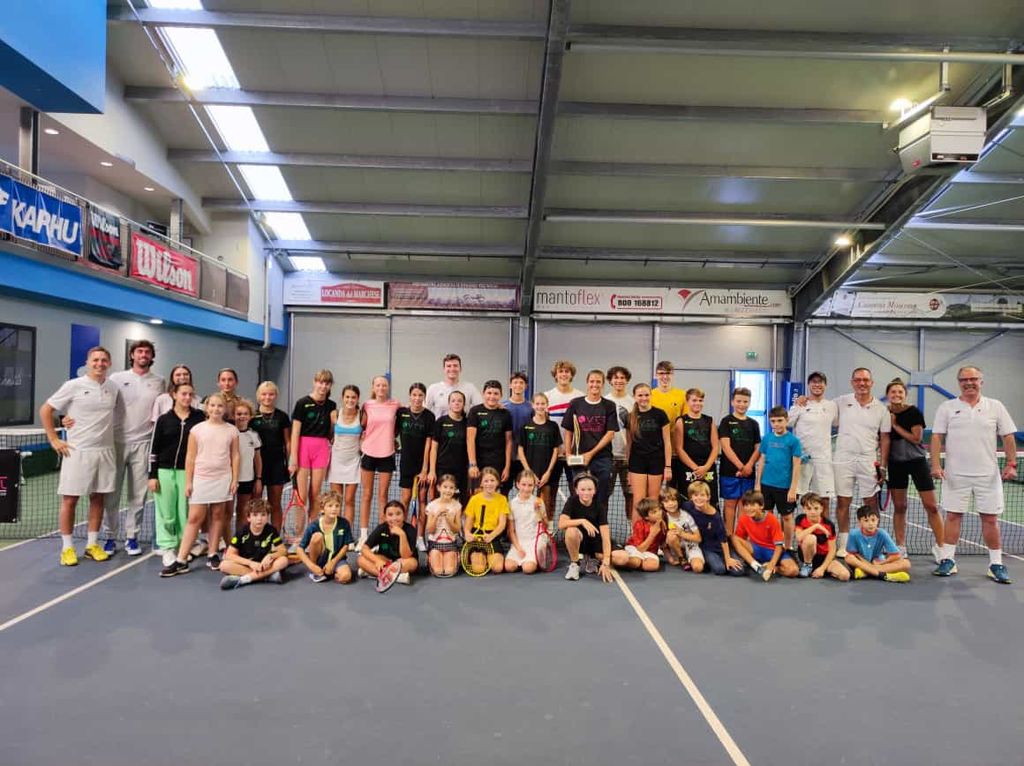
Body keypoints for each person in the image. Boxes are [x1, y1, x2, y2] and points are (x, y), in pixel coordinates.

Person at [931, 365, 1018, 583]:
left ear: (981, 381)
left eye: (973, 379)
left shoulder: (995, 406)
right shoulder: (947, 407)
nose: (969, 383)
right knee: (952, 516)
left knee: (990, 519)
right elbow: (936, 437)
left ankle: (996, 564)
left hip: (988, 476)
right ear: (959, 382)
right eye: (964, 380)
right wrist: (935, 465)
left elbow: (1008, 436)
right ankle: (948, 560)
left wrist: (1011, 464)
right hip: (955, 476)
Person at [40, 346, 119, 566]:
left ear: (109, 363)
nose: (99, 364)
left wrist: (66, 418)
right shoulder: (73, 385)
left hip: (105, 451)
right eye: (95, 360)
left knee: (98, 498)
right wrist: (53, 439)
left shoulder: (113, 387)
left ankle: (92, 545)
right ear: (87, 363)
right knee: (70, 500)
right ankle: (67, 548)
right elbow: (46, 409)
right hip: (77, 452)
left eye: (104, 360)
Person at [162, 393, 239, 576]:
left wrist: (234, 479)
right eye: (212, 405)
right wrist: (189, 481)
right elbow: (190, 457)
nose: (216, 409)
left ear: (225, 409)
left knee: (218, 515)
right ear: (207, 408)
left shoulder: (231, 430)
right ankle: (181, 560)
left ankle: (212, 554)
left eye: (220, 406)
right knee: (194, 518)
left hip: (222, 478)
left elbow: (235, 456)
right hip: (201, 479)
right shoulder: (197, 430)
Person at [102, 339, 164, 556]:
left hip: (144, 443)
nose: (143, 355)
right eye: (139, 351)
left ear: (151, 356)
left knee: (138, 495)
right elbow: (102, 405)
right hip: (117, 442)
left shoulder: (159, 381)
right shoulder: (116, 378)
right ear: (132, 355)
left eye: (147, 352)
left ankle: (132, 537)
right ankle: (110, 537)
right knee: (111, 494)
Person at [832, 368, 891, 557]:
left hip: (868, 460)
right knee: (843, 502)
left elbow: (885, 439)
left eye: (865, 380)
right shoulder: (840, 402)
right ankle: (844, 545)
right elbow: (820, 407)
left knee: (871, 503)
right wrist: (803, 400)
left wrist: (883, 465)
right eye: (858, 380)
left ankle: (872, 544)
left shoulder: (881, 409)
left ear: (871, 383)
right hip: (843, 459)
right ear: (852, 382)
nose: (862, 383)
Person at [885, 378, 943, 561]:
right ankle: (900, 547)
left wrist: (895, 425)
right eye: (893, 392)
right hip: (895, 464)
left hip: (917, 462)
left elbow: (916, 438)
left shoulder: (914, 412)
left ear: (905, 394)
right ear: (887, 395)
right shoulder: (883, 413)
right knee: (900, 506)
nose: (896, 395)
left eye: (900, 392)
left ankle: (942, 547)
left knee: (931, 506)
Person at [149, 381, 205, 567]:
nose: (187, 398)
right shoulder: (163, 420)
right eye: (183, 394)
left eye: (190, 394)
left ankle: (183, 546)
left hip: (187, 472)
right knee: (166, 512)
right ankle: (167, 548)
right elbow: (154, 449)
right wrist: (152, 475)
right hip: (164, 471)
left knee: (184, 511)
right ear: (174, 395)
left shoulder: (199, 418)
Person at [561, 369, 619, 509]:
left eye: (598, 382)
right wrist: (568, 453)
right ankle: (581, 522)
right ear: (587, 383)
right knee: (580, 496)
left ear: (603, 384)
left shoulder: (609, 405)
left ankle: (600, 522)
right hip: (579, 457)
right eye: (592, 381)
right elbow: (568, 431)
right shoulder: (575, 404)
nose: (595, 384)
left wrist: (590, 454)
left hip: (603, 458)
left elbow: (610, 433)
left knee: (601, 497)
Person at [357, 376, 400, 551]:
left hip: (387, 453)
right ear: (373, 387)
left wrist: (392, 438)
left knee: (383, 496)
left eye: (384, 385)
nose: (381, 388)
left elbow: (399, 425)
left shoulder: (396, 405)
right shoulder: (367, 405)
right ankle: (363, 536)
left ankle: (382, 536)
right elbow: (361, 426)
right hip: (368, 452)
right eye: (378, 385)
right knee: (366, 495)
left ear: (387, 387)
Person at [289, 370, 336, 521]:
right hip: (303, 448)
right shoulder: (302, 403)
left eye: (327, 383)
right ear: (315, 382)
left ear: (330, 385)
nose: (323, 386)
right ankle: (299, 531)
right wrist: (293, 458)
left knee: (316, 495)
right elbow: (295, 432)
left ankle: (312, 529)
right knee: (301, 496)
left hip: (321, 449)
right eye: (320, 382)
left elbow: (332, 433)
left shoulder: (332, 405)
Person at [789, 371, 837, 516]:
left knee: (824, 501)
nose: (817, 385)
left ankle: (824, 530)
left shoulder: (832, 406)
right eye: (814, 382)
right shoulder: (800, 404)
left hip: (823, 460)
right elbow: (787, 423)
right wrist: (798, 403)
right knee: (792, 498)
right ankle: (792, 531)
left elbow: (838, 422)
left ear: (825, 385)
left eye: (820, 382)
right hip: (801, 460)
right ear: (809, 385)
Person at [754, 406, 802, 550]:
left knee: (786, 517)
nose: (776, 424)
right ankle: (767, 544)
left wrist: (793, 489)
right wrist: (758, 484)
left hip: (784, 487)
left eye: (780, 420)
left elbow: (797, 466)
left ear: (787, 420)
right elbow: (762, 461)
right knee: (766, 515)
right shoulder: (767, 438)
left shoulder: (793, 441)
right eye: (773, 421)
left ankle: (787, 546)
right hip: (766, 484)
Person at [396, 383, 435, 551]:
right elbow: (393, 432)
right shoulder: (401, 413)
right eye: (414, 395)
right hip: (406, 463)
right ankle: (402, 534)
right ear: (409, 396)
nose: (417, 398)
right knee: (404, 500)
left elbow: (428, 444)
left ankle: (420, 538)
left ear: (424, 397)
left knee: (422, 500)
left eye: (420, 395)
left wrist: (425, 469)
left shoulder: (429, 416)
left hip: (422, 466)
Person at [218, 498, 289, 590]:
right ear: (249, 518)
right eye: (255, 515)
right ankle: (267, 576)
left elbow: (283, 550)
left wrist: (270, 556)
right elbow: (230, 555)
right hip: (248, 566)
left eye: (263, 515)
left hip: (265, 566)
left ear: (268, 516)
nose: (259, 519)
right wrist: (251, 563)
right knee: (224, 565)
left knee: (283, 560)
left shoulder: (271, 530)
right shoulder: (242, 532)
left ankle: (244, 579)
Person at [718, 387, 761, 536]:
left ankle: (740, 538)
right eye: (738, 401)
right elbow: (725, 446)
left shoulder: (754, 424)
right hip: (729, 472)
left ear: (749, 403)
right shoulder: (726, 421)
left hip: (749, 473)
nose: (742, 404)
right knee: (730, 505)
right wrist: (741, 467)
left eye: (745, 402)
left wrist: (749, 466)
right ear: (732, 402)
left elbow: (758, 448)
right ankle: (729, 537)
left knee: (745, 505)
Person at [731, 490, 799, 581]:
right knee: (734, 538)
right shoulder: (743, 519)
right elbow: (739, 540)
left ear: (761, 506)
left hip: (773, 551)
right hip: (756, 550)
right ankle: (756, 566)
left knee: (793, 571)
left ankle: (772, 568)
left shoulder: (772, 519)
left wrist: (772, 564)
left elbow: (779, 546)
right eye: (746, 505)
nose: (749, 508)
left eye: (752, 505)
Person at [250, 381, 291, 531]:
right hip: (256, 465)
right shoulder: (252, 416)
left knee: (275, 503)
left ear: (276, 396)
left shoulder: (282, 416)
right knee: (256, 503)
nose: (267, 397)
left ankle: (275, 537)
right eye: (264, 394)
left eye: (271, 394)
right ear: (258, 396)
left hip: (277, 464)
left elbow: (287, 442)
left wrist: (290, 462)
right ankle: (256, 534)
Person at [559, 473, 614, 583]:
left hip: (595, 542)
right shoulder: (572, 501)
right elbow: (561, 524)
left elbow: (605, 536)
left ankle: (592, 558)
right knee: (570, 531)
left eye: (589, 489)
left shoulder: (599, 506)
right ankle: (575, 564)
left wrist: (606, 563)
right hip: (579, 541)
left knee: (621, 558)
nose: (586, 492)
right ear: (576, 490)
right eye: (582, 489)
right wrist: (582, 521)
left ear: (594, 491)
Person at [625, 382, 672, 505]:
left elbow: (667, 442)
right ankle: (636, 520)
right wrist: (629, 469)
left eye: (646, 395)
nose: (644, 398)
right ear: (634, 397)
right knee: (638, 500)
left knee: (653, 500)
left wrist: (668, 467)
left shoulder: (660, 414)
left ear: (651, 395)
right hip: (637, 462)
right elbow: (629, 445)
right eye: (640, 395)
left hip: (656, 461)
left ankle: (653, 520)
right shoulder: (630, 417)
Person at [518, 392, 561, 522]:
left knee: (545, 504)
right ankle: (526, 527)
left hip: (547, 473)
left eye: (543, 404)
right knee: (527, 503)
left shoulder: (553, 426)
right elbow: (520, 450)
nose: (540, 406)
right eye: (537, 403)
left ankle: (546, 529)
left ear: (547, 405)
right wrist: (529, 472)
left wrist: (548, 472)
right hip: (530, 472)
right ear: (533, 405)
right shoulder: (526, 426)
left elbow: (556, 450)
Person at [544, 360, 583, 500]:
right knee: (549, 493)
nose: (564, 374)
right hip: (553, 453)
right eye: (560, 371)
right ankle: (549, 516)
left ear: (571, 375)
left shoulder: (580, 397)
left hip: (574, 453)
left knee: (577, 491)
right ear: (555, 375)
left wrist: (570, 449)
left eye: (567, 371)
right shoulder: (547, 397)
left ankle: (577, 515)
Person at [296, 490, 354, 584]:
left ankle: (329, 573)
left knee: (346, 577)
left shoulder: (344, 523)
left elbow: (345, 545)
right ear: (322, 509)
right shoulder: (313, 526)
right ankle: (316, 570)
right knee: (317, 537)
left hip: (337, 559)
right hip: (319, 560)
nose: (334, 509)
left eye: (337, 506)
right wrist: (311, 566)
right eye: (330, 506)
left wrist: (333, 562)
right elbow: (299, 549)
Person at [688, 482, 745, 576]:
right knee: (719, 569)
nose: (699, 498)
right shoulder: (688, 506)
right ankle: (712, 561)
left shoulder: (715, 517)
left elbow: (723, 539)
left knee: (739, 571)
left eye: (702, 495)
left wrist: (728, 559)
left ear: (708, 497)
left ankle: (733, 556)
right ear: (691, 497)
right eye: (696, 495)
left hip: (721, 546)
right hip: (706, 548)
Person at [844, 505, 911, 583]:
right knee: (849, 558)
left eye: (873, 520)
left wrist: (881, 563)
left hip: (877, 563)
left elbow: (896, 555)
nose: (870, 524)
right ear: (859, 522)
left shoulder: (882, 533)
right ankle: (885, 575)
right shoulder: (853, 534)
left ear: (877, 520)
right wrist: (867, 564)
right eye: (866, 520)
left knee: (906, 563)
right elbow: (854, 554)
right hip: (861, 561)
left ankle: (866, 572)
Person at [676, 387, 720, 506]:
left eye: (700, 400)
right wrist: (695, 468)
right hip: (688, 468)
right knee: (689, 502)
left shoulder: (709, 420)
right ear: (687, 402)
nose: (697, 403)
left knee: (709, 501)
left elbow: (715, 447)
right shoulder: (681, 421)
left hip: (708, 468)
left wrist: (706, 467)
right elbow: (679, 448)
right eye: (694, 400)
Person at [358, 499, 418, 585]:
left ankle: (374, 573)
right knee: (361, 559)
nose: (394, 518)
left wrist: (402, 535)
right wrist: (377, 561)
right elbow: (364, 548)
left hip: (403, 561)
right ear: (385, 517)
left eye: (398, 514)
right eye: (390, 515)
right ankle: (396, 577)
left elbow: (406, 556)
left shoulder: (411, 530)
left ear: (404, 515)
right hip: (385, 560)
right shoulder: (381, 528)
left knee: (413, 563)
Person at [461, 467, 509, 575]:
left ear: (497, 482)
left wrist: (492, 535)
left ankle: (487, 557)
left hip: (492, 536)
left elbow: (502, 524)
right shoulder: (474, 499)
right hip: (476, 536)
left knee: (497, 568)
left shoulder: (502, 499)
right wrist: (467, 533)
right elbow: (469, 521)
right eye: (486, 481)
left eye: (492, 480)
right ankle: (479, 556)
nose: (489, 484)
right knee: (478, 569)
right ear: (481, 483)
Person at [467, 379, 513, 489]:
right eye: (489, 393)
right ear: (483, 394)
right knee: (478, 493)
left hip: (498, 462)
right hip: (479, 461)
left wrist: (507, 467)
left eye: (496, 393)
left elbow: (509, 441)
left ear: (501, 395)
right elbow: (470, 439)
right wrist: (473, 464)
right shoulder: (475, 411)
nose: (492, 396)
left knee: (495, 493)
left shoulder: (505, 414)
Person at [650, 360, 687, 491]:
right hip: (655, 452)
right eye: (661, 373)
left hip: (676, 453)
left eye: (668, 373)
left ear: (673, 374)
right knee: (654, 491)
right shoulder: (650, 395)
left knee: (673, 491)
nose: (665, 376)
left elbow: (685, 422)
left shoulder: (682, 395)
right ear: (656, 375)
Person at [327, 384, 362, 525]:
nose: (350, 400)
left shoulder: (362, 416)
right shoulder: (334, 414)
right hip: (336, 461)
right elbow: (329, 435)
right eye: (347, 397)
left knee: (349, 500)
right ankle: (335, 531)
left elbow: (367, 433)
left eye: (353, 397)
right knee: (336, 501)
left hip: (354, 462)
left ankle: (347, 532)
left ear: (358, 399)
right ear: (342, 398)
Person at [794, 492, 849, 581]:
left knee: (845, 576)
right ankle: (807, 565)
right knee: (810, 538)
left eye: (816, 508)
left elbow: (832, 550)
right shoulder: (800, 519)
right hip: (807, 554)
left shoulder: (829, 525)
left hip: (824, 558)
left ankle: (821, 570)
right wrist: (816, 526)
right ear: (804, 509)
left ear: (821, 509)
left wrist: (822, 568)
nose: (813, 512)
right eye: (809, 508)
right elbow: (799, 537)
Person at [429, 391, 470, 503]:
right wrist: (432, 471)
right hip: (442, 469)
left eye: (459, 401)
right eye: (453, 401)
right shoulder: (440, 422)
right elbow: (434, 449)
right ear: (449, 404)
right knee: (441, 502)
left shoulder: (468, 423)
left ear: (464, 404)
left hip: (461, 470)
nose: (456, 403)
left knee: (460, 502)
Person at [605, 365, 634, 521]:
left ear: (627, 380)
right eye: (615, 377)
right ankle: (601, 528)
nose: (619, 381)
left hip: (629, 458)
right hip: (608, 457)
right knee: (604, 494)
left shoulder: (633, 403)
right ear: (610, 380)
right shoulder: (604, 401)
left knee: (630, 495)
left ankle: (632, 529)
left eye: (622, 377)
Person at [504, 469, 546, 574]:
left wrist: (538, 511)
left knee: (528, 569)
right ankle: (527, 561)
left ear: (534, 486)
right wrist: (518, 548)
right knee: (509, 567)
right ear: (517, 484)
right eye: (523, 484)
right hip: (519, 543)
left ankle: (533, 559)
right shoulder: (511, 504)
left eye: (530, 485)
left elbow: (545, 525)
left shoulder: (538, 501)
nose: (526, 488)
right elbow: (511, 531)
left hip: (535, 542)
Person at [232, 400, 263, 535]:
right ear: (233, 415)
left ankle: (240, 537)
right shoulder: (229, 432)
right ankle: (223, 540)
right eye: (238, 414)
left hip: (247, 479)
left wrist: (258, 478)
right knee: (226, 511)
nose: (242, 417)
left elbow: (258, 459)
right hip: (229, 480)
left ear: (250, 416)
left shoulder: (253, 435)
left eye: (245, 414)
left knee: (242, 511)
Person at [501, 371, 534, 493]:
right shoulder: (502, 407)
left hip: (524, 457)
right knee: (504, 489)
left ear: (526, 386)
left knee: (525, 490)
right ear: (510, 385)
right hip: (507, 456)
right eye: (515, 382)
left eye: (521, 383)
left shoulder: (531, 407)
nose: (518, 385)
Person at [612, 497, 664, 572]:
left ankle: (635, 563)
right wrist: (652, 534)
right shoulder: (639, 525)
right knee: (636, 562)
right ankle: (617, 560)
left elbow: (663, 543)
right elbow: (640, 549)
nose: (659, 513)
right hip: (635, 548)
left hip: (650, 551)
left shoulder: (662, 523)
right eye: (654, 512)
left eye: (659, 510)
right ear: (646, 517)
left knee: (653, 566)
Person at [425, 474, 462, 577]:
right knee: (438, 571)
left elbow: (457, 530)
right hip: (435, 543)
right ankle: (431, 556)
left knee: (449, 571)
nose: (448, 490)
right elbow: (430, 530)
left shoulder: (457, 506)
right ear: (439, 488)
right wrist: (436, 515)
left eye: (451, 488)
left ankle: (456, 556)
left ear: (455, 490)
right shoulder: (431, 506)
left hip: (450, 543)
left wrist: (449, 520)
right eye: (445, 487)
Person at [425, 353, 481, 417]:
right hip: (439, 423)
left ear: (460, 369)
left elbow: (482, 409)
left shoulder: (470, 388)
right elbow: (423, 412)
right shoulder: (433, 389)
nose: (452, 369)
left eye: (455, 366)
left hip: (463, 423)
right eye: (449, 366)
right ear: (444, 369)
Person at [666, 484, 706, 573]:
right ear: (662, 504)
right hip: (676, 547)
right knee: (671, 535)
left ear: (678, 501)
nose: (670, 504)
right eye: (666, 501)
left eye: (673, 500)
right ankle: (682, 558)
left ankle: (692, 557)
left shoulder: (687, 515)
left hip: (691, 545)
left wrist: (682, 533)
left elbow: (698, 538)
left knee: (698, 568)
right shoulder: (664, 518)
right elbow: (662, 543)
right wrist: (669, 557)